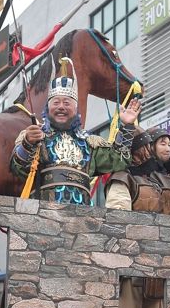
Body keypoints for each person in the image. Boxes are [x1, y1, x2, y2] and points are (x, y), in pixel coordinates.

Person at [10, 57, 140, 205]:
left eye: (66, 103)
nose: (61, 107)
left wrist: (126, 126)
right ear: (48, 108)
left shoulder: (90, 142)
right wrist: (28, 143)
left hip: (82, 212)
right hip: (44, 211)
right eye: (56, 102)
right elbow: (18, 169)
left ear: (75, 109)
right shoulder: (36, 136)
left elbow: (118, 160)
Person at [104, 128, 166, 308]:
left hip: (154, 258)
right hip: (131, 261)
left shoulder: (153, 180)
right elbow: (118, 220)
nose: (149, 151)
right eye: (145, 146)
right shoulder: (122, 178)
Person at [147, 127, 170, 215]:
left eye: (169, 145)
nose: (168, 149)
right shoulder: (141, 174)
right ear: (151, 146)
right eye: (163, 144)